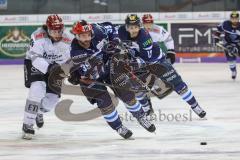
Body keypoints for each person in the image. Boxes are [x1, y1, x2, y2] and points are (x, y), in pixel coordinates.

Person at [68, 20, 156, 139]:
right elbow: (89, 72)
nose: (86, 39)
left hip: (109, 67)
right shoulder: (75, 51)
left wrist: (115, 40)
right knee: (105, 102)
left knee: (127, 95)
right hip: (91, 77)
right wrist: (102, 52)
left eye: (88, 35)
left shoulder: (98, 30)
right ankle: (118, 127)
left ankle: (142, 117)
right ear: (76, 36)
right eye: (83, 36)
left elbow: (111, 26)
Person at [117, 14, 206, 118]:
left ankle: (195, 106)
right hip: (139, 62)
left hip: (157, 61)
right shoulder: (121, 30)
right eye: (131, 27)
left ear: (139, 26)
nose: (133, 30)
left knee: (177, 84)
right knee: (136, 88)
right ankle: (147, 109)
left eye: (136, 27)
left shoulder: (145, 37)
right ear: (127, 27)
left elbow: (146, 59)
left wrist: (129, 61)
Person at [22, 14, 72, 139]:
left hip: (56, 67)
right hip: (35, 64)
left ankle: (38, 111)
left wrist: (72, 72)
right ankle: (27, 124)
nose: (56, 34)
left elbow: (71, 59)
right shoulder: (38, 36)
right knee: (37, 90)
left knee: (52, 100)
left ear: (63, 29)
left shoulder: (69, 39)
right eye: (52, 31)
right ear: (47, 29)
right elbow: (35, 57)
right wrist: (49, 68)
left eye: (59, 31)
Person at [213, 11, 240, 80]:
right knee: (231, 59)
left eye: (236, 18)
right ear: (230, 19)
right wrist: (216, 40)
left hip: (238, 43)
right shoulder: (225, 24)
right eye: (233, 18)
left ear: (238, 18)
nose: (234, 20)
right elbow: (218, 31)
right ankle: (233, 71)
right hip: (228, 43)